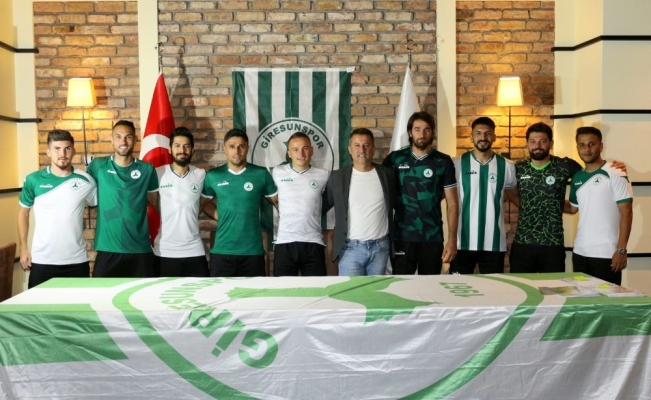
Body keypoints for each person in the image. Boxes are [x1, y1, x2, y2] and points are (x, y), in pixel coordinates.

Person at [17, 130, 97, 288]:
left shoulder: (86, 180)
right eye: (57, 148)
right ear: (48, 152)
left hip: (77, 261)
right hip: (42, 261)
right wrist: (23, 248)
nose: (62, 154)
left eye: (67, 148)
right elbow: (23, 213)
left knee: (78, 304)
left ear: (73, 151)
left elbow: (98, 208)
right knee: (38, 304)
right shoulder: (33, 180)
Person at [382, 111, 458, 275]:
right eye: (417, 129)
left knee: (430, 286)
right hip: (402, 236)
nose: (422, 134)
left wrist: (452, 240)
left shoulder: (443, 161)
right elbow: (383, 197)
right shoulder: (394, 159)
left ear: (432, 132)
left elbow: (452, 203)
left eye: (426, 129)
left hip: (432, 237)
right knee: (401, 285)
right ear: (410, 132)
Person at [87, 120, 159, 277]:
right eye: (118, 137)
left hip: (140, 249)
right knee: (101, 292)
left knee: (144, 292)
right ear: (112, 140)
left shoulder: (147, 169)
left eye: (128, 137)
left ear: (135, 140)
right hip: (108, 249)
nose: (123, 141)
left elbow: (156, 203)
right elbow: (84, 193)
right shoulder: (98, 166)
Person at [202, 128, 278, 277]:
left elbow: (278, 203)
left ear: (247, 148)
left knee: (254, 292)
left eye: (241, 146)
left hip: (252, 252)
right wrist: (220, 216)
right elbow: (202, 204)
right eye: (232, 146)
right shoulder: (213, 175)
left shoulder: (261, 174)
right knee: (221, 291)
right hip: (222, 251)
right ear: (225, 148)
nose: (237, 151)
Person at [509, 122, 583, 273]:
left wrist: (612, 167)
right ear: (527, 144)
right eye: (533, 141)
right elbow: (511, 194)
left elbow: (590, 174)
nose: (537, 146)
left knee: (553, 287)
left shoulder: (564, 165)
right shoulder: (518, 168)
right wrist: (531, 203)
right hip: (523, 243)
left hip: (553, 244)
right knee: (520, 285)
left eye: (542, 141)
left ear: (551, 143)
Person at [323, 128, 396, 276]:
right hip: (350, 249)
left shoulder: (387, 175)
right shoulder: (337, 177)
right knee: (351, 291)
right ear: (350, 149)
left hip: (380, 248)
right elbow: (320, 207)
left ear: (373, 149)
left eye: (366, 145)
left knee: (376, 290)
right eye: (357, 145)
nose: (362, 150)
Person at [450, 117, 519, 274]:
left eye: (488, 133)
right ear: (471, 137)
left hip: (493, 243)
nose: (483, 137)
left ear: (494, 137)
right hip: (462, 242)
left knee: (493, 288)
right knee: (459, 287)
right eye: (478, 133)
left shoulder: (507, 166)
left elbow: (514, 196)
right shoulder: (456, 164)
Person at [566, 126, 633, 285]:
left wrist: (621, 250)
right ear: (577, 148)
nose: (587, 149)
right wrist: (545, 198)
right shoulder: (577, 177)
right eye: (582, 145)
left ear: (601, 146)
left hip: (607, 254)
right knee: (582, 298)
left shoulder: (616, 172)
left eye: (592, 144)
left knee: (607, 299)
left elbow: (627, 213)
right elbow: (573, 208)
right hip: (580, 252)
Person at [153, 127, 209, 277]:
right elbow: (152, 202)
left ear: (192, 150)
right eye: (177, 145)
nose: (182, 150)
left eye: (186, 146)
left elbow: (203, 204)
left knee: (202, 290)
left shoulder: (200, 174)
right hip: (165, 250)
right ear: (170, 149)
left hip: (194, 250)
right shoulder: (158, 173)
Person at [272, 132, 329, 277]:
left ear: (312, 150)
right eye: (295, 149)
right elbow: (269, 195)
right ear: (289, 153)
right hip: (285, 242)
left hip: (313, 243)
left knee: (317, 289)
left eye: (305, 148)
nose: (301, 153)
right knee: (283, 289)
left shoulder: (323, 175)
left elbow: (329, 200)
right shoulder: (277, 173)